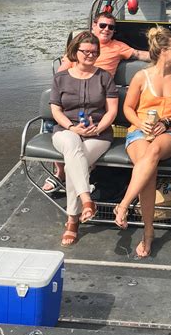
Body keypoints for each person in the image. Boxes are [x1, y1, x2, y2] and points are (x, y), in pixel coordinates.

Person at [42, 12, 150, 193]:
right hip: (74, 92)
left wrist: (168, 54)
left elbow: (140, 54)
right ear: (94, 25)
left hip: (98, 93)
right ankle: (60, 172)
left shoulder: (118, 47)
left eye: (111, 27)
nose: (106, 29)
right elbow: (61, 74)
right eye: (103, 25)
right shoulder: (80, 45)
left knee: (77, 148)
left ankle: (75, 201)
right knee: (54, 121)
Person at [114, 26, 171, 258]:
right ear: (164, 51)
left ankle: (124, 205)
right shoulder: (141, 77)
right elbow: (127, 107)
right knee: (148, 171)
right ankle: (149, 233)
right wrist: (140, 122)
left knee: (153, 152)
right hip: (139, 132)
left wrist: (167, 123)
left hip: (169, 133)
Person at [49, 31, 119, 247]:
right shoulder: (61, 78)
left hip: (98, 134)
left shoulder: (104, 77)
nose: (90, 55)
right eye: (86, 51)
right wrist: (72, 127)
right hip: (65, 131)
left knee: (73, 164)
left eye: (95, 52)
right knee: (71, 144)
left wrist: (98, 128)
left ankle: (72, 220)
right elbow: (55, 110)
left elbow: (111, 111)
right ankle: (86, 199)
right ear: (75, 52)